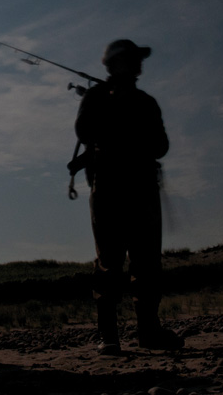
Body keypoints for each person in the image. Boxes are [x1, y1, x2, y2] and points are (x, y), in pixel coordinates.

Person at [75, 39, 183, 355]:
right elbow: (83, 132)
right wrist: (113, 108)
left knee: (147, 262)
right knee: (109, 262)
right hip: (108, 188)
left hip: (143, 189)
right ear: (115, 63)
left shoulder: (146, 102)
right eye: (133, 59)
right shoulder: (96, 97)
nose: (139, 65)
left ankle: (149, 332)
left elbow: (161, 145)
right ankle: (108, 336)